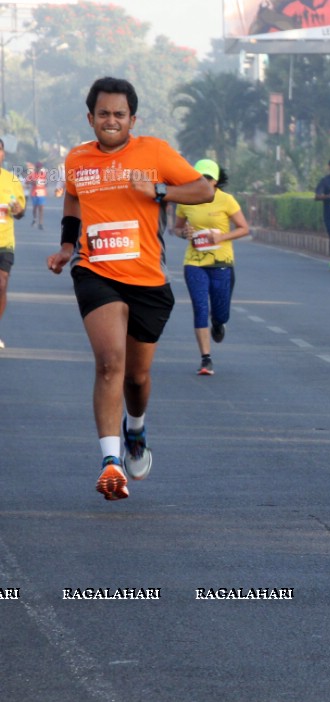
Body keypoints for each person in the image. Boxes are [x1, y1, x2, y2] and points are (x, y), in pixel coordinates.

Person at [47, 77, 213, 501]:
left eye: (119, 114)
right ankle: (110, 461)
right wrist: (68, 245)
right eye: (103, 113)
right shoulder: (77, 160)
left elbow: (203, 188)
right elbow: (72, 200)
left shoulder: (154, 152)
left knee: (136, 379)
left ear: (132, 119)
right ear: (90, 118)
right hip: (96, 272)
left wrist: (160, 190)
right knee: (109, 363)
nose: (111, 120)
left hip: (148, 281)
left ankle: (135, 429)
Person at [173, 159, 250, 376]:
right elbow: (176, 228)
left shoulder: (227, 200)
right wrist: (183, 233)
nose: (203, 181)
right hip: (194, 263)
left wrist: (222, 236)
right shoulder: (185, 199)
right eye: (199, 177)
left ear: (215, 181)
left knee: (220, 312)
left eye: (207, 178)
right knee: (200, 307)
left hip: (222, 263)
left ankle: (218, 324)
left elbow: (244, 228)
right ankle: (206, 359)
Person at [0, 138, 27, 349]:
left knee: (1, 285)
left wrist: (18, 210)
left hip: (5, 243)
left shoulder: (11, 181)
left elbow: (20, 213)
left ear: (3, 154)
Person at [26, 161, 48, 230]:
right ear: (36, 167)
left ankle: (40, 223)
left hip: (42, 193)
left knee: (41, 208)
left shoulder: (43, 174)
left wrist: (43, 183)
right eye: (37, 167)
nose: (38, 168)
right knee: (35, 208)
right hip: (34, 193)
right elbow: (26, 182)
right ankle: (34, 219)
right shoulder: (32, 174)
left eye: (40, 167)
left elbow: (46, 183)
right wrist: (33, 182)